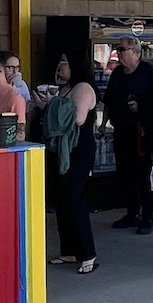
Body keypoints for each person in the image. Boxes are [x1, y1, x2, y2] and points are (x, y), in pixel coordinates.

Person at [32, 48, 100, 274]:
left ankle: (88, 253)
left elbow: (78, 119)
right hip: (61, 150)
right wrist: (45, 105)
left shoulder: (83, 88)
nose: (59, 66)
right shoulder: (65, 88)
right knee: (62, 200)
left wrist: (52, 105)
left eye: (64, 61)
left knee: (74, 199)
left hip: (78, 150)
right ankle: (70, 249)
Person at [102, 35, 153, 234]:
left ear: (135, 52)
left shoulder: (148, 71)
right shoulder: (118, 73)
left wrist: (143, 105)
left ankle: (148, 217)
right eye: (118, 50)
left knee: (143, 176)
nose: (119, 54)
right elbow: (108, 100)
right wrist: (103, 123)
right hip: (122, 130)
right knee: (125, 175)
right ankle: (132, 212)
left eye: (122, 50)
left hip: (143, 133)